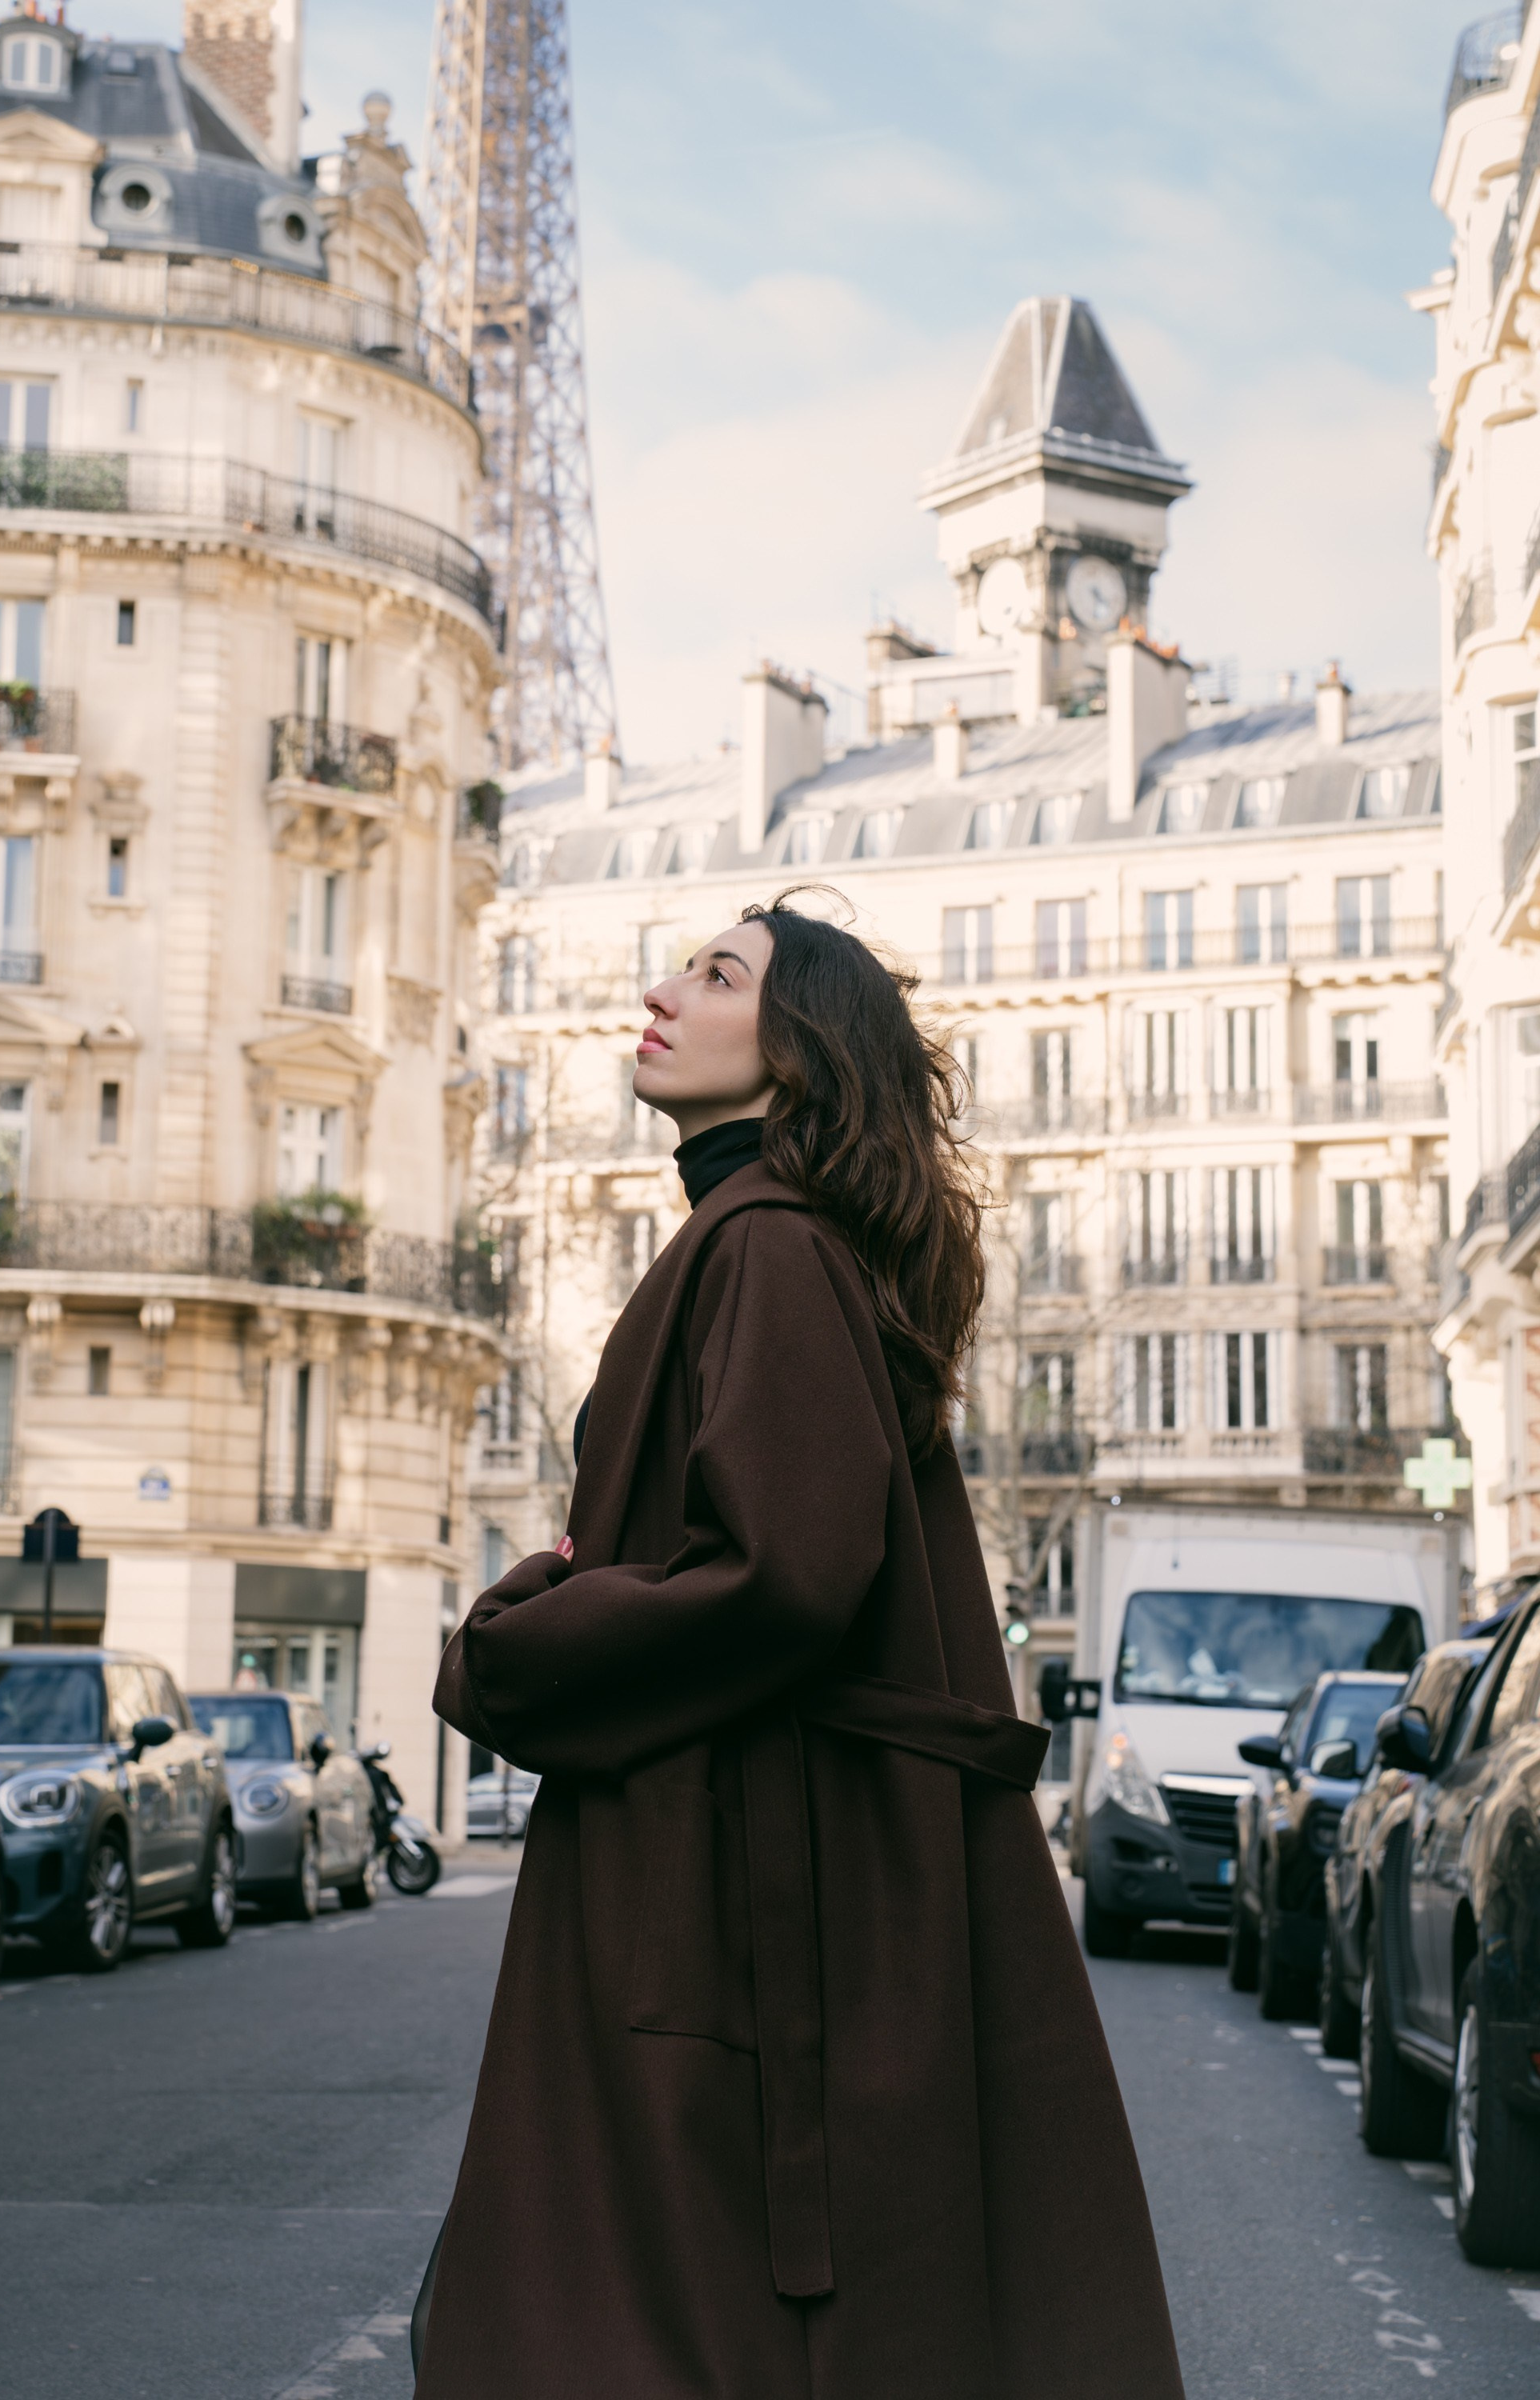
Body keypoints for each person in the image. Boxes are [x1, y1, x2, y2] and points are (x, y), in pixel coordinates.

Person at [419, 898, 1184, 2400]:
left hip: (733, 1881)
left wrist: (514, 1636)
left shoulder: (764, 1246)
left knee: (656, 2321)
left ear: (799, 1052)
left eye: (716, 976)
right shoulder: (763, 1240)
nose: (658, 992)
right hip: (762, 1867)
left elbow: (786, 1572)